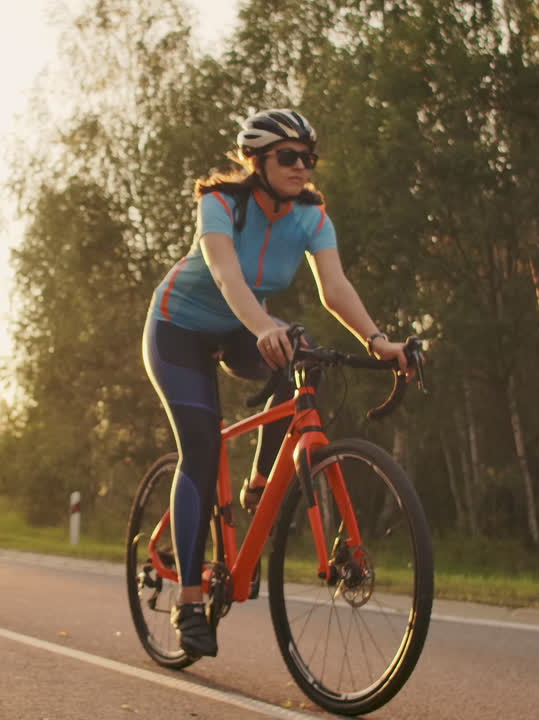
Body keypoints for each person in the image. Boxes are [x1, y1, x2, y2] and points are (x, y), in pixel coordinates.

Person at [142, 109, 411, 657]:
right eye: (288, 156)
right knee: (202, 447)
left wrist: (378, 340)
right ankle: (188, 600)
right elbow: (226, 275)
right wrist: (264, 326)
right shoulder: (220, 204)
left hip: (244, 326)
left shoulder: (311, 216)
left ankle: (261, 482)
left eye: (309, 157)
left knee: (302, 354)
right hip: (178, 329)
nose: (301, 166)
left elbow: (335, 287)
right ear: (256, 161)